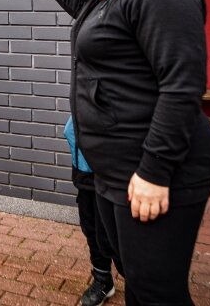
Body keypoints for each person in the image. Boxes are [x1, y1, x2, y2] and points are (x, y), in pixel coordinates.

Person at [9, 0, 210, 305]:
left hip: (152, 169)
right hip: (112, 167)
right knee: (135, 276)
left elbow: (182, 86)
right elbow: (92, 10)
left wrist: (154, 172)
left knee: (155, 293)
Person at [64, 115, 122, 306]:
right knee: (91, 228)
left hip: (112, 173)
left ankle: (142, 287)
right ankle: (103, 279)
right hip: (84, 172)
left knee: (116, 235)